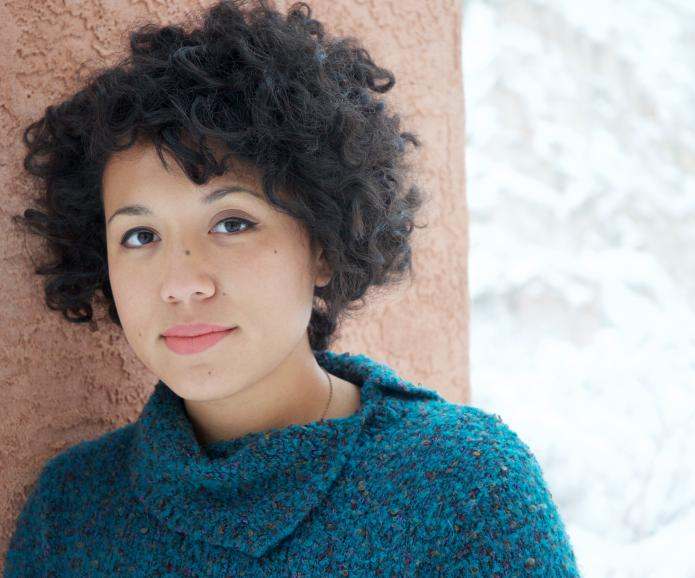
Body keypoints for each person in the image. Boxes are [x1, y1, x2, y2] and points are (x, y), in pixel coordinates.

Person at [5, 1, 582, 576]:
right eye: (139, 235)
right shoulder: (72, 513)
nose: (181, 284)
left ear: (325, 246)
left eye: (232, 223)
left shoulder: (464, 483)